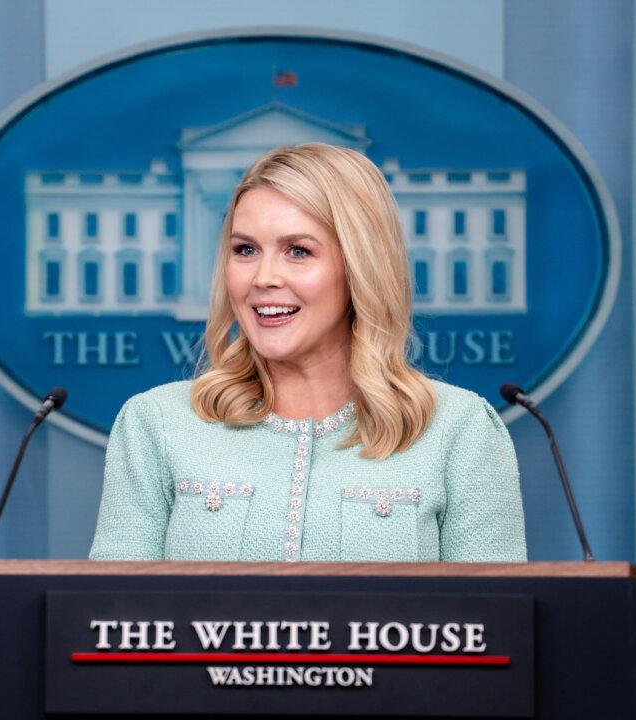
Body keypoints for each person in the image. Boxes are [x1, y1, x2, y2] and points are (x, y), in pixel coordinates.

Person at [89, 143, 526, 562]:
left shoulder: (461, 430)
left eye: (298, 251)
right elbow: (107, 622)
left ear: (361, 266)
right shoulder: (156, 424)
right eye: (245, 250)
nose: (263, 277)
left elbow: (499, 627)